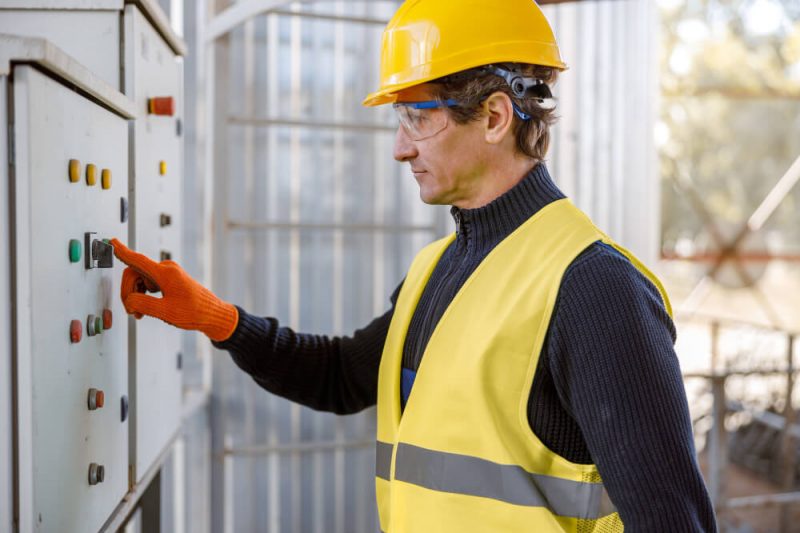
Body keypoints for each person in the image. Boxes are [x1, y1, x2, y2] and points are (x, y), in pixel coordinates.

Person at [110, 0, 717, 531]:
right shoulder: (438, 267)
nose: (401, 147)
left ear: (496, 117)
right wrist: (221, 320)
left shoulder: (593, 289)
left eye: (418, 117)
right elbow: (344, 377)